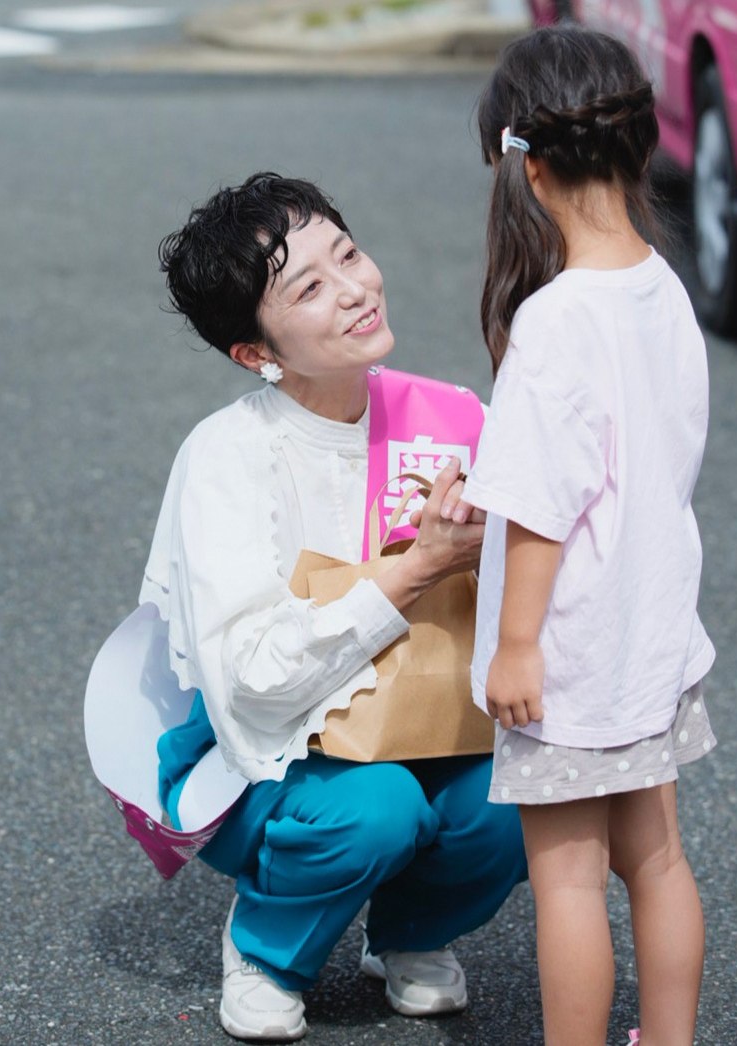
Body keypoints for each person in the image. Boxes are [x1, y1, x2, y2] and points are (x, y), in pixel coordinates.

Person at [140, 173, 527, 1041]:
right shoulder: (229, 456)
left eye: (347, 255)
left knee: (521, 791)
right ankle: (266, 947)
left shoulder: (451, 417)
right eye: (309, 287)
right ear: (255, 353)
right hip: (263, 748)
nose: (354, 289)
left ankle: (412, 934)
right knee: (376, 809)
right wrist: (418, 568)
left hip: (433, 719)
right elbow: (254, 685)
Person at [455, 26, 717, 1046]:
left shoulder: (556, 321)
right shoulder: (661, 286)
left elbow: (538, 506)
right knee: (657, 858)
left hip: (571, 653)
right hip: (651, 633)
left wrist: (516, 643)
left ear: (526, 168)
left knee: (566, 880)